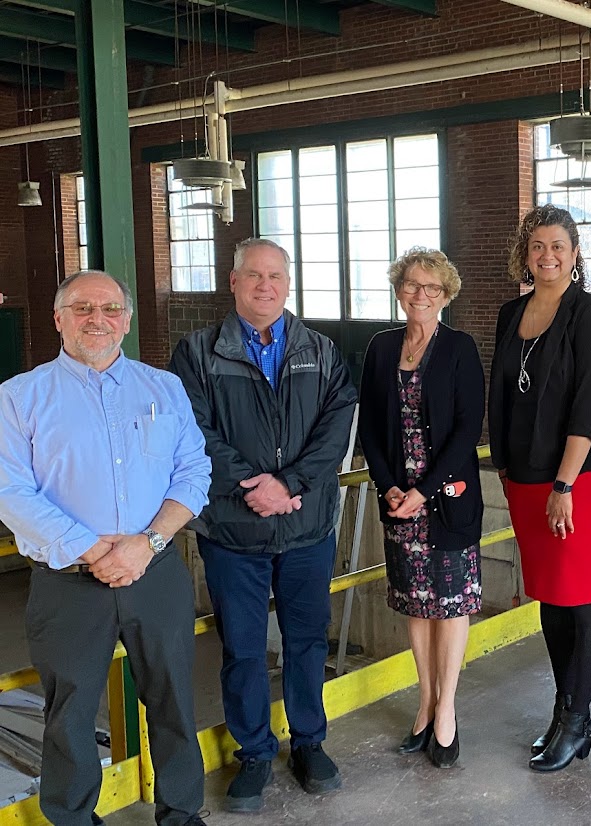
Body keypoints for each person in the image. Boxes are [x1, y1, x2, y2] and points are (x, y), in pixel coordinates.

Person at [0, 271, 210, 826]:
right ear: (58, 318)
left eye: (111, 308)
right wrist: (95, 550)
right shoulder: (20, 397)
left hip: (156, 571)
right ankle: (70, 818)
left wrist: (148, 543)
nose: (99, 319)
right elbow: (9, 490)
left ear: (128, 317)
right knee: (69, 712)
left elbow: (193, 471)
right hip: (67, 583)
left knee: (173, 702)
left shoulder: (163, 388)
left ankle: (182, 814)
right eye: (83, 308)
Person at [169, 238, 357, 812]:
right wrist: (253, 485)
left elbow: (337, 425)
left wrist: (291, 484)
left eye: (275, 276)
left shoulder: (321, 351)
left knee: (306, 642)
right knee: (244, 650)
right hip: (232, 532)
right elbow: (192, 430)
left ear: (288, 283)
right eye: (253, 275)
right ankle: (253, 752)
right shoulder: (198, 353)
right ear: (234, 281)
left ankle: (308, 742)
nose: (265, 286)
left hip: (304, 530)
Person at [488, 204, 591, 773]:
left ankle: (577, 718)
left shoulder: (589, 314)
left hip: (575, 478)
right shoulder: (510, 312)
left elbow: (590, 404)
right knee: (550, 594)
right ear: (525, 252)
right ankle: (566, 710)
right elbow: (505, 392)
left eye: (557, 246)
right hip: (524, 476)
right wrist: (508, 466)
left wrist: (564, 482)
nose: (547, 256)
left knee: (582, 593)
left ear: (574, 254)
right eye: (537, 246)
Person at [359, 248, 484, 769]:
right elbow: (369, 424)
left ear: (446, 295)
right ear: (398, 288)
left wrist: (424, 491)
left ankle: (448, 709)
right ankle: (424, 704)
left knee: (450, 606)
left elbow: (465, 430)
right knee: (417, 604)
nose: (421, 295)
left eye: (432, 288)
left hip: (444, 499)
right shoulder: (381, 347)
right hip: (399, 501)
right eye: (412, 284)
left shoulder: (459, 348)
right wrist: (388, 485)